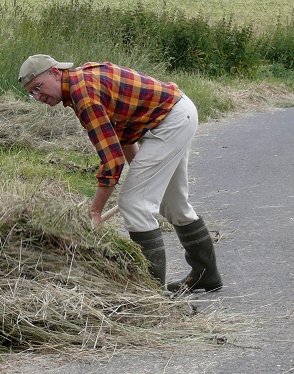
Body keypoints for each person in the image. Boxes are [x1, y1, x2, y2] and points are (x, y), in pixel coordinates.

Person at [18, 54, 222, 292]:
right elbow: (122, 134)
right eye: (32, 93)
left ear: (55, 72)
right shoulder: (82, 81)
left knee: (133, 204)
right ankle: (206, 275)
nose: (38, 96)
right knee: (172, 203)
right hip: (176, 112)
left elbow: (111, 162)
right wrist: (139, 171)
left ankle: (150, 294)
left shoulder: (83, 96)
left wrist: (95, 212)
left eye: (38, 87)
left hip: (170, 121)